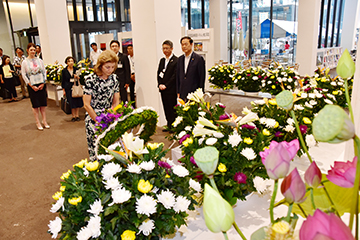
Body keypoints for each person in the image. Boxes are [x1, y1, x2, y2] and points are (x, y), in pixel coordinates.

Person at [83, 50, 120, 161]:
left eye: (113, 67)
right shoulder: (90, 80)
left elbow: (115, 101)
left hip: (109, 116)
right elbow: (86, 105)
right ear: (100, 66)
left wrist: (111, 116)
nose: (110, 70)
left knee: (111, 148)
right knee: (96, 148)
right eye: (107, 67)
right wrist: (98, 121)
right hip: (93, 117)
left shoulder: (114, 79)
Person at [21, 43, 49, 131]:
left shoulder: (40, 60)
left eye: (34, 50)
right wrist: (30, 85)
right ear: (27, 51)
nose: (33, 51)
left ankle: (44, 121)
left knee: (43, 105)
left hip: (41, 84)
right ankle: (38, 122)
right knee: (35, 105)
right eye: (31, 50)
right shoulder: (25, 62)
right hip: (32, 85)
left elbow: (44, 71)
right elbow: (24, 75)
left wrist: (43, 83)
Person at [157, 40, 178, 132]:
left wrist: (166, 85)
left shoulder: (176, 60)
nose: (165, 50)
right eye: (163, 48)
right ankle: (169, 124)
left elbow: (175, 75)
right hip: (162, 89)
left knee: (172, 107)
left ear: (172, 49)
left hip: (171, 89)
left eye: (167, 48)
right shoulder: (162, 60)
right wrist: (159, 84)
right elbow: (158, 73)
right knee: (165, 107)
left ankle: (174, 125)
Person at [176, 36, 205, 101]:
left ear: (191, 44)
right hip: (183, 92)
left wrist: (200, 93)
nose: (184, 46)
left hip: (194, 93)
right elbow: (178, 76)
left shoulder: (198, 59)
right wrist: (178, 91)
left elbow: (201, 77)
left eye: (186, 44)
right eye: (182, 44)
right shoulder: (180, 59)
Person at [62, 56, 84, 122]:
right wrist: (63, 90)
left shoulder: (76, 69)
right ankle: (73, 116)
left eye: (72, 61)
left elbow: (80, 78)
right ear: (67, 63)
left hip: (75, 87)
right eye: (69, 61)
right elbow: (63, 81)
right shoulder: (64, 71)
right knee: (71, 102)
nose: (71, 63)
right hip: (68, 88)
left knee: (76, 101)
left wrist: (77, 77)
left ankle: (77, 115)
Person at [110, 40, 131, 104]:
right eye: (112, 46)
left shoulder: (123, 57)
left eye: (116, 46)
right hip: (112, 81)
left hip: (122, 81)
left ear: (119, 47)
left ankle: (125, 110)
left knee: (124, 98)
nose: (114, 48)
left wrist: (127, 82)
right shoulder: (109, 57)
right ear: (110, 48)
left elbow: (127, 69)